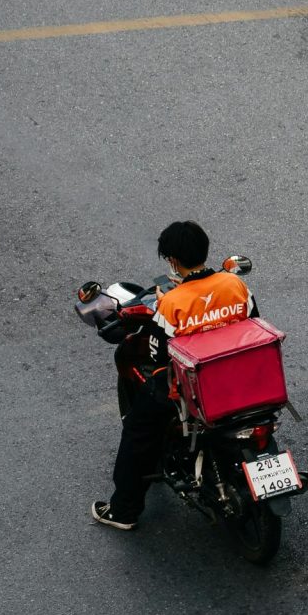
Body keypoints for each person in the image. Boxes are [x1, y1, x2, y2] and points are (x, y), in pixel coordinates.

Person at [91, 222, 253, 531]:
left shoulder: (172, 302)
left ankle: (123, 510)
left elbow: (157, 356)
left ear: (173, 261)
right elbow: (253, 323)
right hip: (240, 376)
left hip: (195, 389)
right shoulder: (235, 285)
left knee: (139, 430)